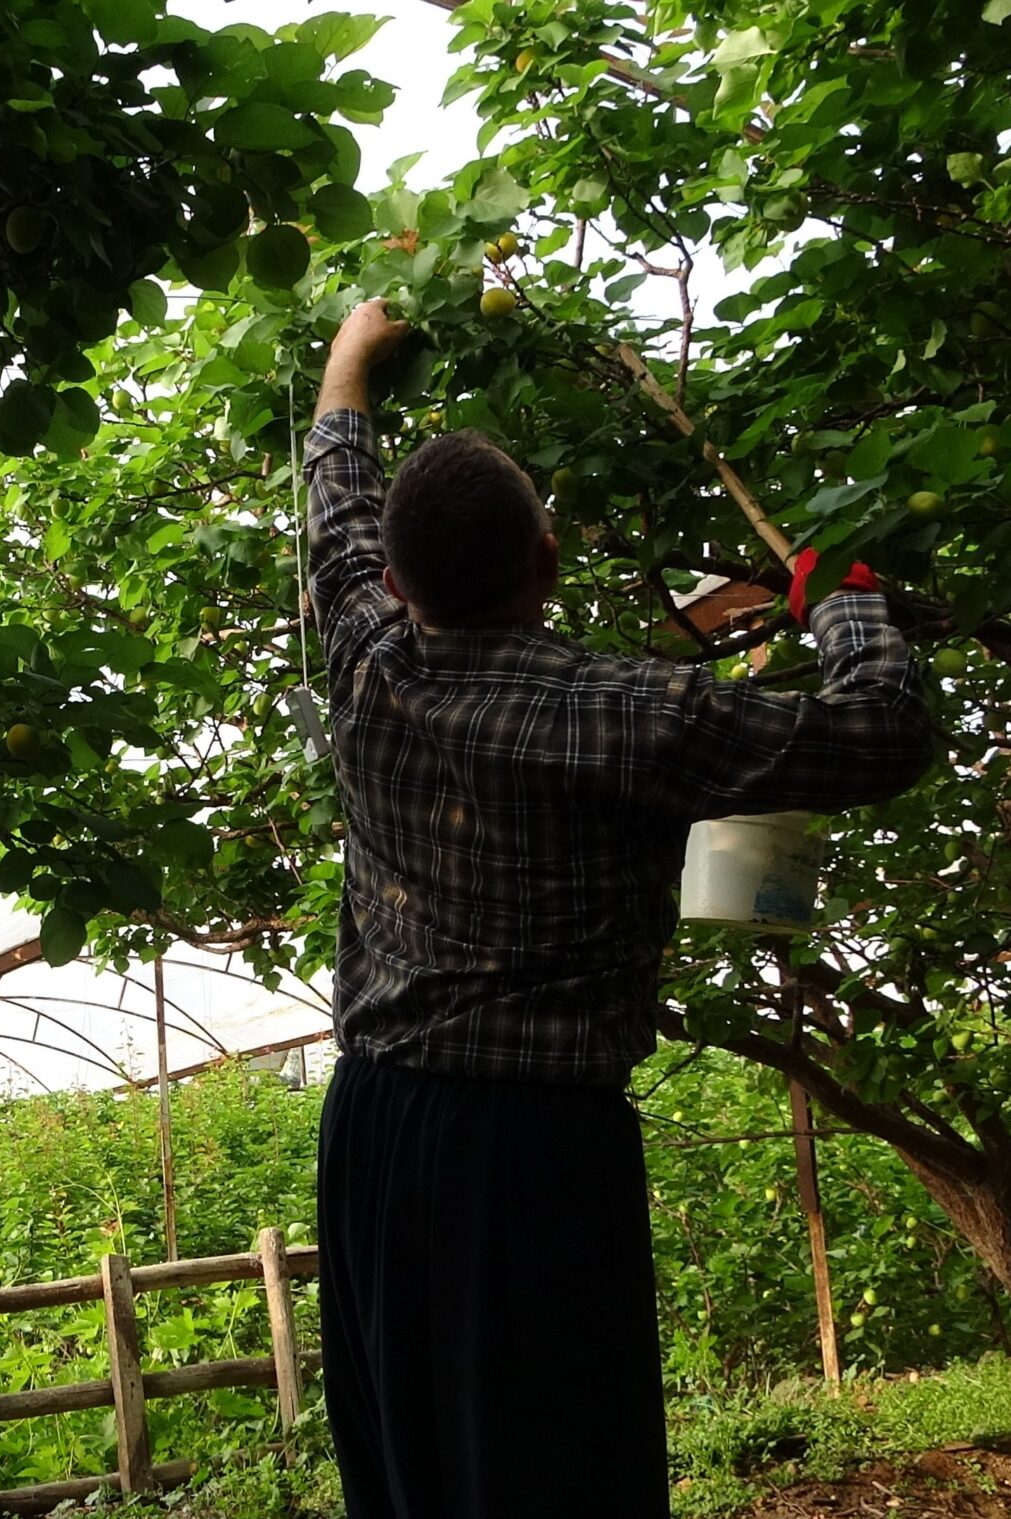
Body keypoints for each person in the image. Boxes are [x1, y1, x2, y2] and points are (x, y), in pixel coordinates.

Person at [300, 299, 932, 1516]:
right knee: (556, 1467)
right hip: (534, 1154)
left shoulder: (364, 659)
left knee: (410, 1464)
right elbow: (882, 732)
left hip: (374, 1125)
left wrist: (350, 356)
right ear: (546, 563)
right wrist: (840, 596)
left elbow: (333, 496)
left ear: (389, 578)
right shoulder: (638, 714)